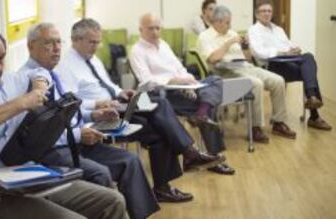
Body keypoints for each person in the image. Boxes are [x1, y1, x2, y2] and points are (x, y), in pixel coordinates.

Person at [0, 25, 127, 219]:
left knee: (113, 201)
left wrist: (38, 87)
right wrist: (20, 103)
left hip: (27, 177)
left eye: (1, 58)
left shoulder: (6, 82)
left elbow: (38, 71)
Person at [57, 18, 227, 199]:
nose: (96, 46)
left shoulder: (93, 59)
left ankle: (164, 186)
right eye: (92, 42)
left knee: (160, 128)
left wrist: (122, 92)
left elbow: (107, 84)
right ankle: (189, 154)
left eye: (98, 42)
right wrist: (98, 104)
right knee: (160, 107)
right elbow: (70, 103)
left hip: (118, 104)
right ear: (75, 40)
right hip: (101, 115)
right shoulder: (66, 66)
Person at [18, 22, 160, 219]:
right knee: (100, 173)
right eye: (49, 43)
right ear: (31, 46)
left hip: (77, 140)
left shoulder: (53, 73)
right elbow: (43, 131)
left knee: (131, 161)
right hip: (54, 150)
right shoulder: (28, 81)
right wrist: (79, 134)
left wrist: (93, 115)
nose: (57, 48)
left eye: (59, 42)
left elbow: (67, 111)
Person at [129, 13, 236, 175]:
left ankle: (201, 114)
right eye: (151, 28)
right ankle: (211, 153)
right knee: (209, 103)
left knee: (215, 80)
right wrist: (175, 81)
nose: (155, 32)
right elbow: (146, 81)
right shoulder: (136, 51)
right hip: (159, 95)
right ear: (140, 29)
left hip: (182, 89)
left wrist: (188, 82)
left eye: (158, 28)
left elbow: (180, 68)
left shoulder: (163, 44)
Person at [198, 5, 297, 143]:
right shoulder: (205, 37)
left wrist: (246, 47)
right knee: (255, 83)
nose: (230, 25)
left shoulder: (232, 32)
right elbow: (213, 58)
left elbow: (247, 57)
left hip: (245, 67)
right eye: (227, 22)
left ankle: (279, 122)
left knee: (278, 80)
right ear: (218, 22)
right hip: (224, 73)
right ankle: (255, 128)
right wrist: (228, 43)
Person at [248, 0, 331, 131]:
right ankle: (314, 114)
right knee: (309, 72)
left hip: (287, 62)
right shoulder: (253, 30)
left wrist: (293, 49)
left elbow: (288, 45)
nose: (267, 13)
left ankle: (312, 98)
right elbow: (259, 52)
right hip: (271, 66)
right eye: (263, 11)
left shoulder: (278, 29)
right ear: (257, 14)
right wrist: (282, 52)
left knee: (308, 57)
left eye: (269, 11)